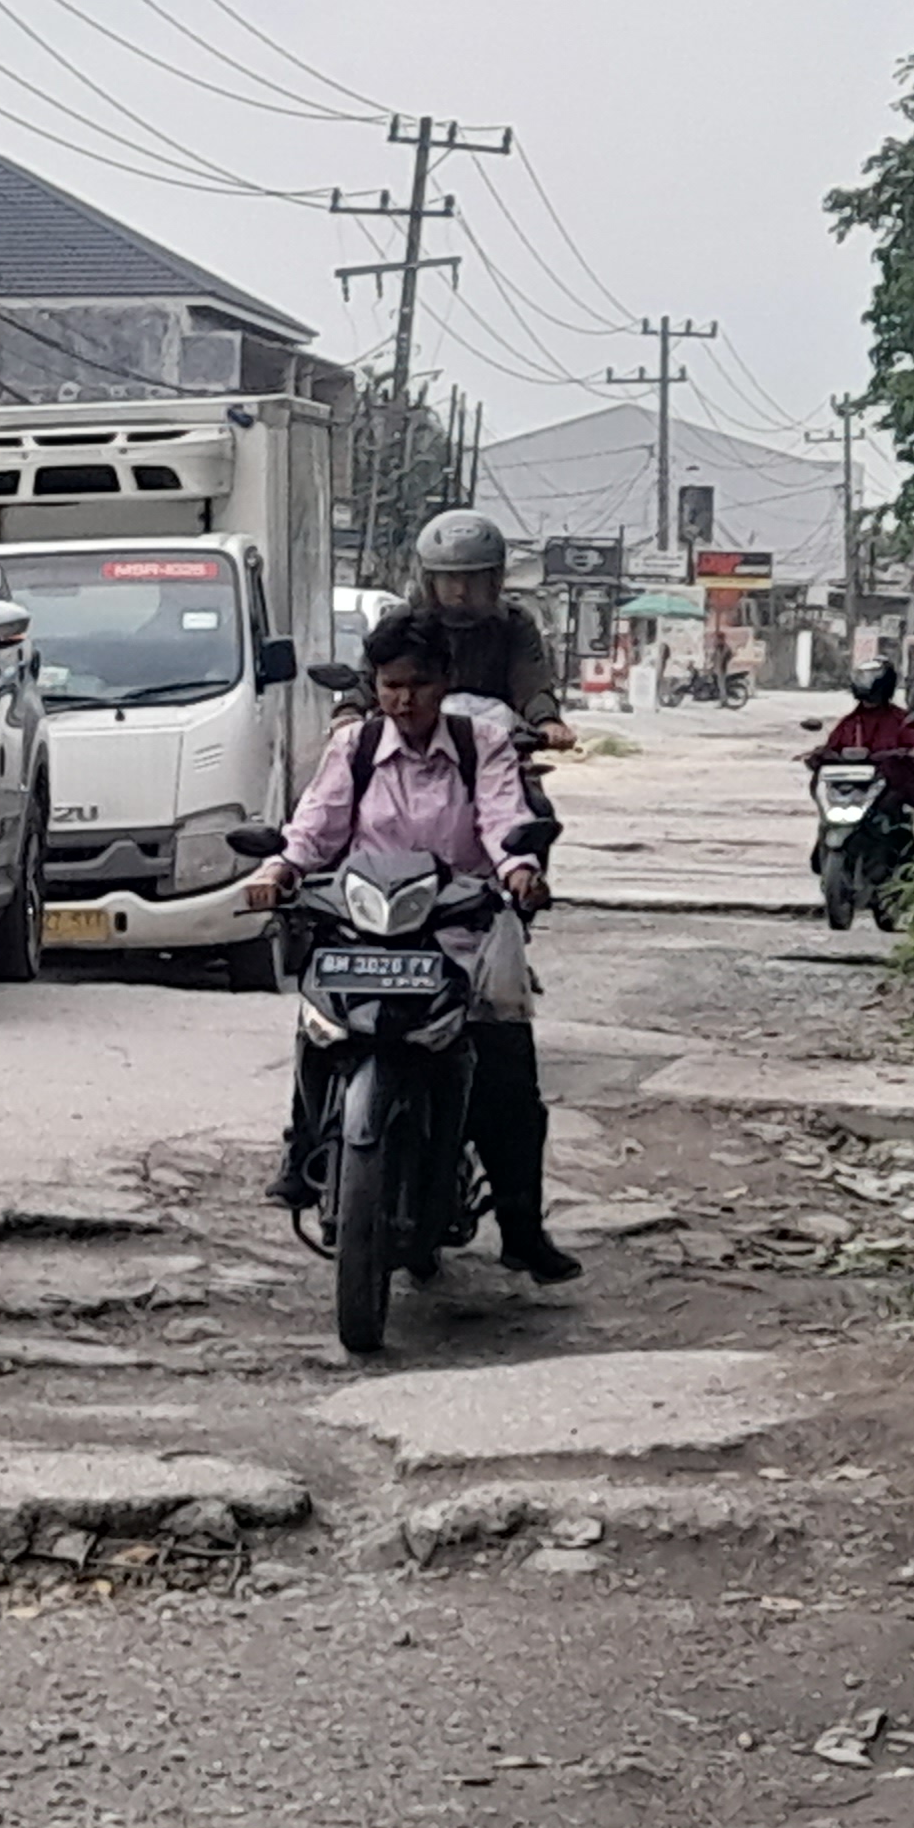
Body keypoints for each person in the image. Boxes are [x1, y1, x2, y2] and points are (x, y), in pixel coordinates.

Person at [245, 603, 581, 1286]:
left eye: (419, 684)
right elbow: (316, 826)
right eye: (392, 684)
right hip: (366, 928)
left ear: (444, 680)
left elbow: (502, 816)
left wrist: (519, 871)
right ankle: (302, 1151)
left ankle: (522, 1228)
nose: (404, 699)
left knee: (507, 1072)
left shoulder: (478, 743)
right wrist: (276, 869)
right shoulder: (356, 747)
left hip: (461, 929)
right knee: (320, 1028)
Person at [402, 509, 573, 753]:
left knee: (530, 791)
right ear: (430, 579)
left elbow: (531, 683)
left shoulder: (514, 624)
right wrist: (349, 711)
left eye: (474, 579)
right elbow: (373, 677)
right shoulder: (403, 624)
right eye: (450, 578)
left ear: (495, 580)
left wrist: (547, 721)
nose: (462, 589)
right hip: (416, 749)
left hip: (499, 749)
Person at [808, 663, 914, 813]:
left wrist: (913, 753)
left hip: (887, 793)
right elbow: (833, 746)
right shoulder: (850, 722)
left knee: (894, 809)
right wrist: (819, 755)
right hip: (851, 792)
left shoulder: (901, 721)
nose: (870, 700)